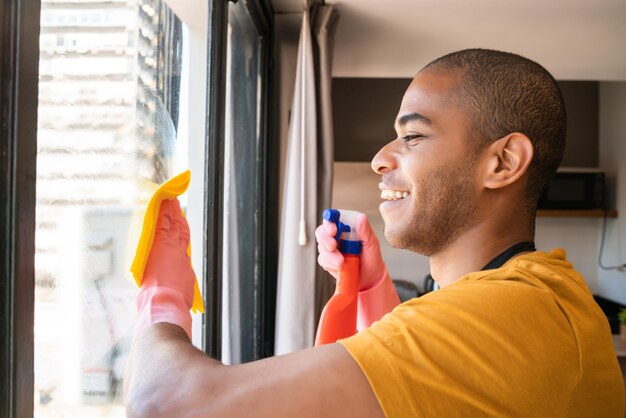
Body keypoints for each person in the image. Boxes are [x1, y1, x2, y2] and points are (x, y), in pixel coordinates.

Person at [124, 49, 625, 417]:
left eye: (413, 136)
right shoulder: (530, 299)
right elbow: (415, 388)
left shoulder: (513, 313)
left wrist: (163, 295)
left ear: (502, 161)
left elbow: (168, 404)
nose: (381, 158)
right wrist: (371, 288)